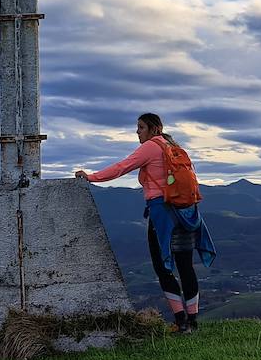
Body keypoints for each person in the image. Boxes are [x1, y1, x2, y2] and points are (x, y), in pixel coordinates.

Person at [76, 112, 216, 333]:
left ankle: (180, 322)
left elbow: (123, 166)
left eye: (140, 127)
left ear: (153, 128)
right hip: (187, 213)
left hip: (163, 215)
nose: (137, 132)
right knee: (186, 267)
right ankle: (193, 323)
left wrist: (92, 176)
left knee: (163, 269)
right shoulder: (173, 146)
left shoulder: (151, 147)